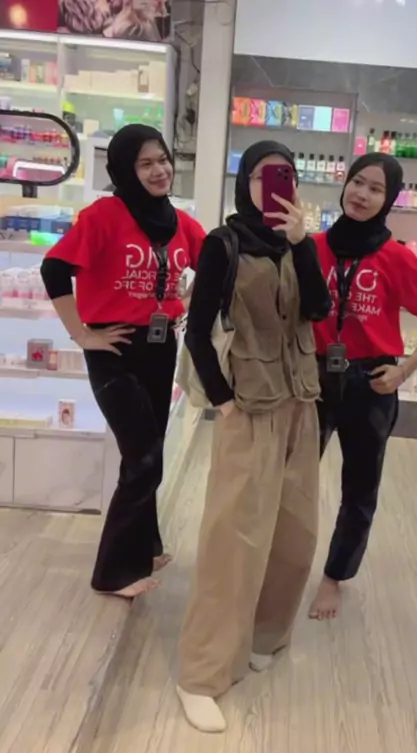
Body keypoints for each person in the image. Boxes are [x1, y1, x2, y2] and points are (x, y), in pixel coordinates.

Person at [176, 141, 332, 733]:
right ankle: (202, 673)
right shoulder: (224, 243)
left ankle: (266, 635)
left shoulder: (298, 244)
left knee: (296, 531)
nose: (275, 185)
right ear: (246, 182)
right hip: (248, 406)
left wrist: (302, 243)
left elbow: (318, 309)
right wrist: (222, 402)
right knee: (234, 541)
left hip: (301, 404)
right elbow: (197, 331)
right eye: (265, 176)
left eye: (285, 175)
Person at [41, 124, 205, 599]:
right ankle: (112, 572)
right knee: (143, 456)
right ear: (124, 171)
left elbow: (216, 263)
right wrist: (81, 334)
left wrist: (186, 300)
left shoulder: (179, 222)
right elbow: (54, 268)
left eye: (163, 160)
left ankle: (146, 546)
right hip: (114, 351)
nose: (159, 171)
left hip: (160, 345)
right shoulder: (104, 216)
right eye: (145, 163)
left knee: (151, 450)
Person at [309, 152, 417, 621]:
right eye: (357, 182)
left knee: (360, 487)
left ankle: (334, 577)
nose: (362, 194)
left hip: (370, 384)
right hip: (313, 380)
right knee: (292, 481)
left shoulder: (396, 257)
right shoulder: (312, 247)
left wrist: (403, 371)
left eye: (375, 189)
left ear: (388, 199)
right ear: (344, 183)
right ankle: (281, 565)